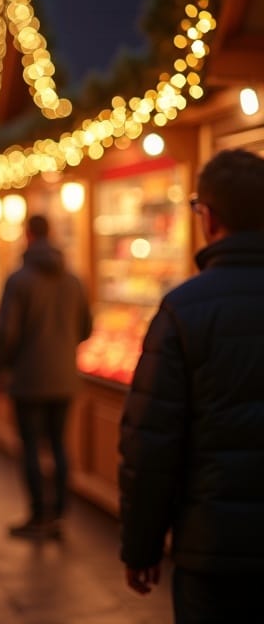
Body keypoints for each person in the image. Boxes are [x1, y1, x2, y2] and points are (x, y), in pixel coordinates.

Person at [119, 149, 264, 621]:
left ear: (209, 216)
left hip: (213, 546)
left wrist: (141, 546)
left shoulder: (183, 309)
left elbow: (151, 443)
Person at [0, 213, 93, 540]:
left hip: (27, 378)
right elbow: (86, 329)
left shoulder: (19, 279)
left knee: (30, 448)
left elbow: (7, 334)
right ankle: (60, 513)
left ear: (27, 236)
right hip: (65, 376)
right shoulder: (74, 279)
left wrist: (4, 366)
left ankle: (39, 514)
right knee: (59, 443)